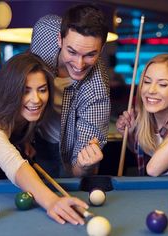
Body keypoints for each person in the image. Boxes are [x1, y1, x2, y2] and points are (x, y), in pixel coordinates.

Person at [0, 52, 88, 225]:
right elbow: (13, 164)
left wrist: (22, 141)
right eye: (25, 91)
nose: (36, 99)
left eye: (42, 90)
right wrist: (51, 201)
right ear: (11, 91)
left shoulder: (22, 112)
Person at [30, 3, 110, 177]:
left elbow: (78, 169)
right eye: (72, 52)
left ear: (101, 49)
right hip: (28, 137)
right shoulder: (44, 30)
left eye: (90, 55)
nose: (79, 65)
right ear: (59, 39)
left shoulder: (97, 91)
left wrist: (84, 165)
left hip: (64, 150)